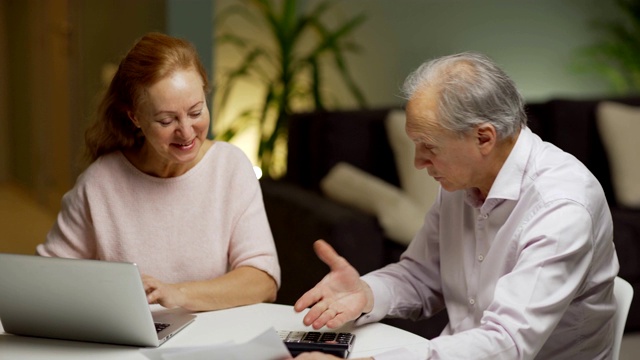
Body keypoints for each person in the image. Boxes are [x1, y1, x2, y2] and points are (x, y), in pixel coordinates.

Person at [292, 52, 619, 359]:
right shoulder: (461, 183)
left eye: (428, 146)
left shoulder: (561, 207)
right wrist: (367, 291)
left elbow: (507, 343)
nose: (419, 162)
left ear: (484, 138)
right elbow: (421, 275)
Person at [36, 32, 280, 312]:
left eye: (196, 111)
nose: (187, 132)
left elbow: (263, 280)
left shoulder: (231, 167)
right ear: (135, 117)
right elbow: (47, 277)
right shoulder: (100, 183)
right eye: (166, 120)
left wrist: (178, 294)